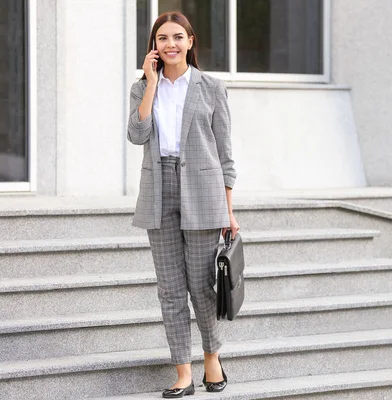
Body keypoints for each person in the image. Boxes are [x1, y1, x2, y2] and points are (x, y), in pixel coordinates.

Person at [127, 11, 239, 398]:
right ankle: (183, 372)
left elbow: (225, 154)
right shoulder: (143, 87)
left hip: (204, 192)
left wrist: (229, 209)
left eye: (177, 37)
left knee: (201, 287)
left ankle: (211, 357)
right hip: (159, 189)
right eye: (162, 39)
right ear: (153, 47)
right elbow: (136, 133)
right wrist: (152, 84)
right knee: (170, 289)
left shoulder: (211, 87)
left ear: (191, 41)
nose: (170, 44)